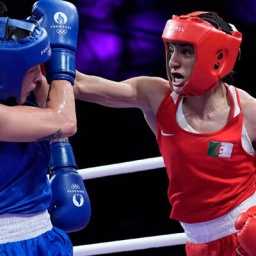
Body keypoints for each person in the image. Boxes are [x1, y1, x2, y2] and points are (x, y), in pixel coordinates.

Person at [73, 11, 256, 256]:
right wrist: (42, 54)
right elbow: (81, 85)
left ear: (217, 57)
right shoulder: (157, 96)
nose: (173, 61)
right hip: (198, 244)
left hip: (248, 233)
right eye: (172, 49)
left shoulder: (248, 111)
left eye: (186, 51)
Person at [0, 0, 90, 255]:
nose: (40, 76)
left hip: (45, 238)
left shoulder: (16, 93)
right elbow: (64, 121)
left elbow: (63, 95)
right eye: (32, 71)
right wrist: (62, 62)